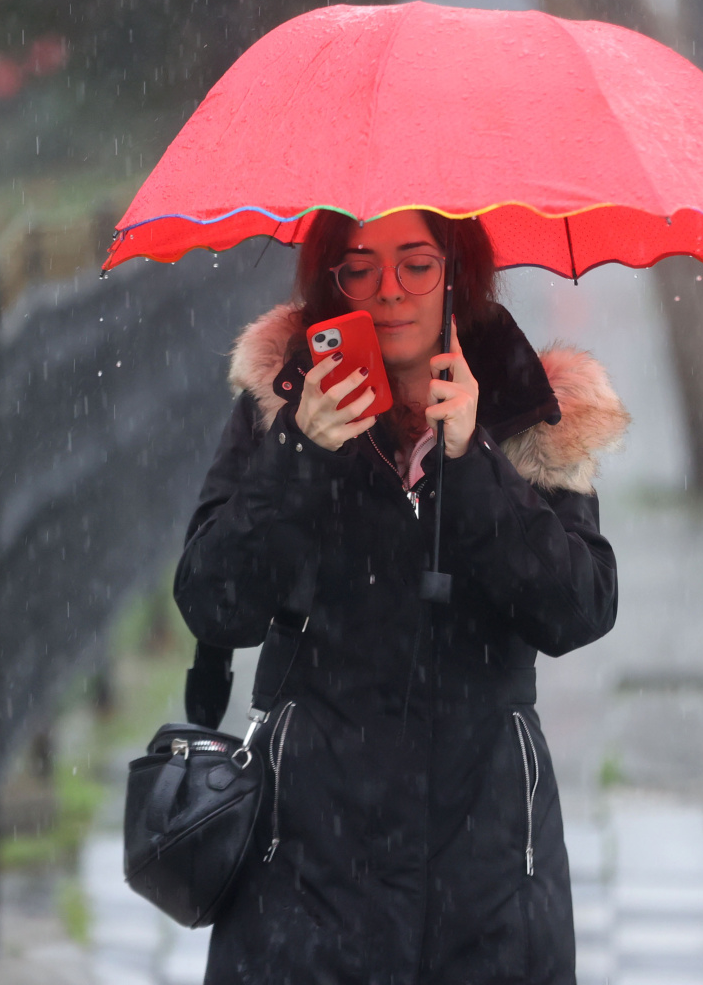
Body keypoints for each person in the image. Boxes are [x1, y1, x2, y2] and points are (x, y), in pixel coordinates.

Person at [174, 207, 629, 985]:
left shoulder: (530, 409)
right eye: (361, 266)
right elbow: (215, 601)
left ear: (458, 271)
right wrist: (299, 454)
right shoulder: (282, 400)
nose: (389, 291)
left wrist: (477, 463)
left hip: (487, 867)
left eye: (416, 263)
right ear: (333, 278)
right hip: (308, 862)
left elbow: (577, 608)